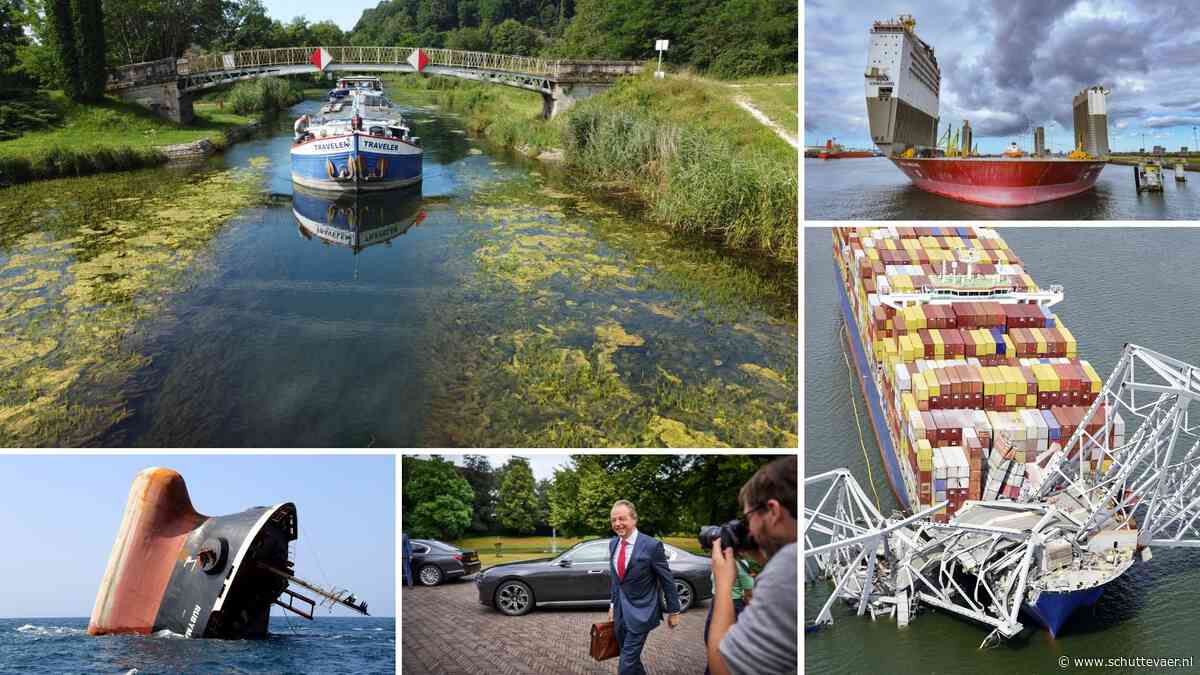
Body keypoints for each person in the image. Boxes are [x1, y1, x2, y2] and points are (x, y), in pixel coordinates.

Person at [706, 456, 797, 675]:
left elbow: (722, 668)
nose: (749, 529)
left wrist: (724, 584)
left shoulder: (786, 568)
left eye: (748, 517)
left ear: (773, 511)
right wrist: (760, 554)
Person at [607, 499, 681, 675]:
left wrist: (674, 611)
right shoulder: (613, 544)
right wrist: (612, 605)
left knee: (625, 665)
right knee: (630, 659)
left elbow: (667, 580)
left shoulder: (651, 545)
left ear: (634, 519)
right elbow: (617, 580)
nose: (617, 524)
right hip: (620, 613)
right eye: (613, 520)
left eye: (622, 519)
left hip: (642, 613)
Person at [702, 545, 762, 675]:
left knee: (723, 649)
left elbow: (749, 592)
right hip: (715, 602)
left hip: (733, 605)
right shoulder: (718, 561)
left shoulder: (738, 564)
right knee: (711, 642)